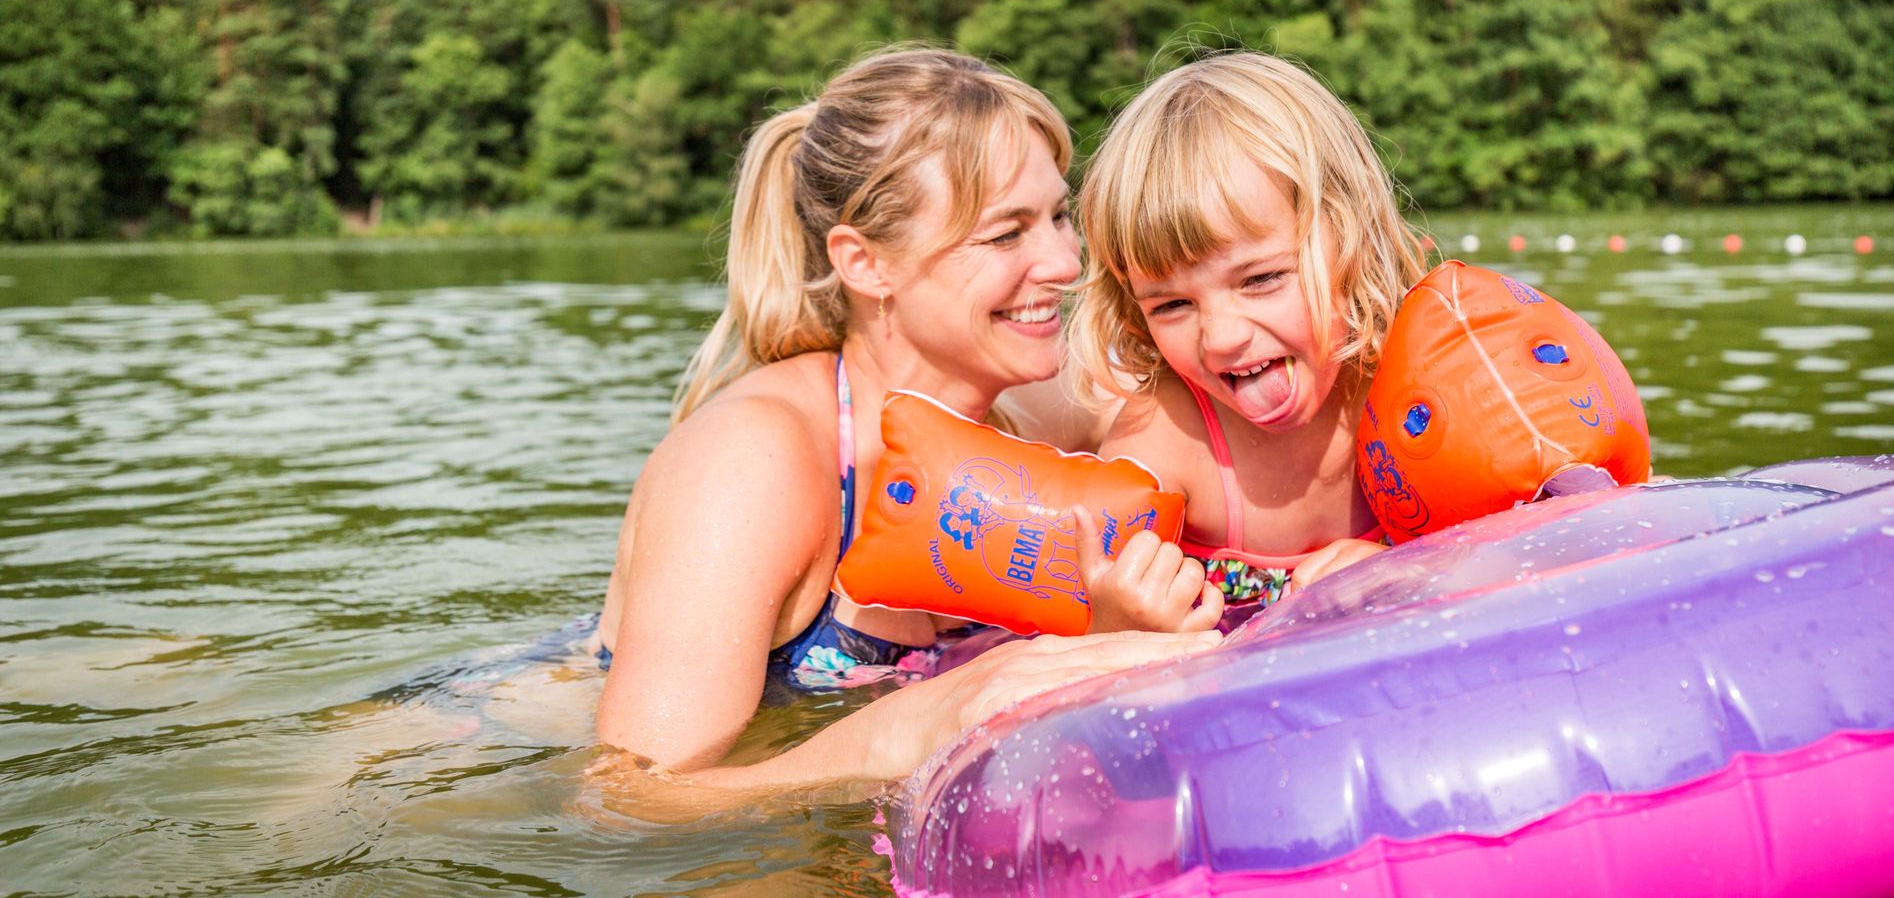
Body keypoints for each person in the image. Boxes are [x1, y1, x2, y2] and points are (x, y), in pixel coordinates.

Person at [589, 47, 1216, 812]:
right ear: (866, 264)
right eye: (1005, 234)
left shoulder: (1055, 414)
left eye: (1058, 215)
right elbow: (631, 800)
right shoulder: (754, 462)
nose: (1064, 261)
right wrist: (909, 726)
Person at [1066, 50, 1429, 632]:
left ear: (1353, 243)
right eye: (1173, 305)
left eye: (1261, 279)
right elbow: (1084, 627)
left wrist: (1415, 567)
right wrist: (1118, 623)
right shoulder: (1165, 442)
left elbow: (1544, 548)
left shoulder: (1429, 385)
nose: (1223, 337)